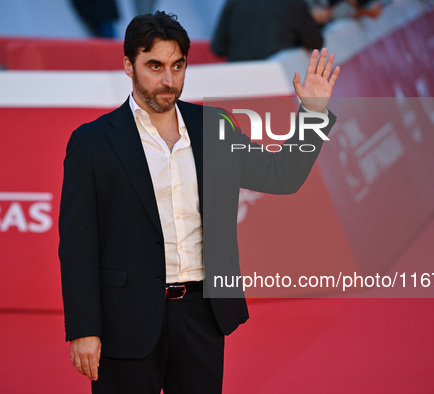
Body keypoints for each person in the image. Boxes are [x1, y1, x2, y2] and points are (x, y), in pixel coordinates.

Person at [59, 10, 340, 393]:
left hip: (201, 316)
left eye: (177, 66)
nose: (168, 80)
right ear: (128, 65)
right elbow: (77, 246)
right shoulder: (92, 142)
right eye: (154, 66)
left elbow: (282, 175)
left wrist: (313, 113)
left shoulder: (215, 127)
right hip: (125, 322)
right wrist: (84, 329)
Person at [211, 0, 323, 62]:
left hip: (238, 84)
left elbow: (218, 48)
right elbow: (315, 42)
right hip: (279, 84)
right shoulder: (293, 3)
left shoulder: (233, 3)